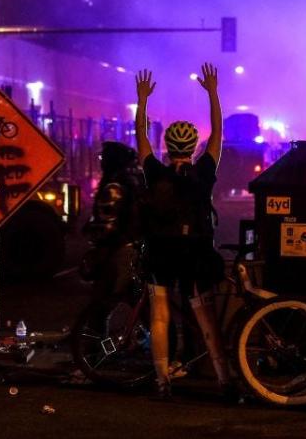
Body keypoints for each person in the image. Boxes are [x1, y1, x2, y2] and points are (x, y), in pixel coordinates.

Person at [135, 63, 231, 401]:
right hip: (196, 253)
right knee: (205, 318)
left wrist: (142, 100)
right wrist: (213, 94)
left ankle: (162, 380)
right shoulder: (204, 172)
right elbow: (218, 135)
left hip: (160, 252)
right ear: (193, 146)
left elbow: (141, 138)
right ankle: (224, 379)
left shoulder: (155, 173)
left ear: (167, 146)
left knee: (160, 316)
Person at [80, 141, 143, 302]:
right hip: (132, 247)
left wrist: (93, 233)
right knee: (134, 301)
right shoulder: (131, 180)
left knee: (101, 306)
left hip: (119, 251)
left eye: (103, 158)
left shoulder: (114, 187)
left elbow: (109, 224)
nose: (100, 161)